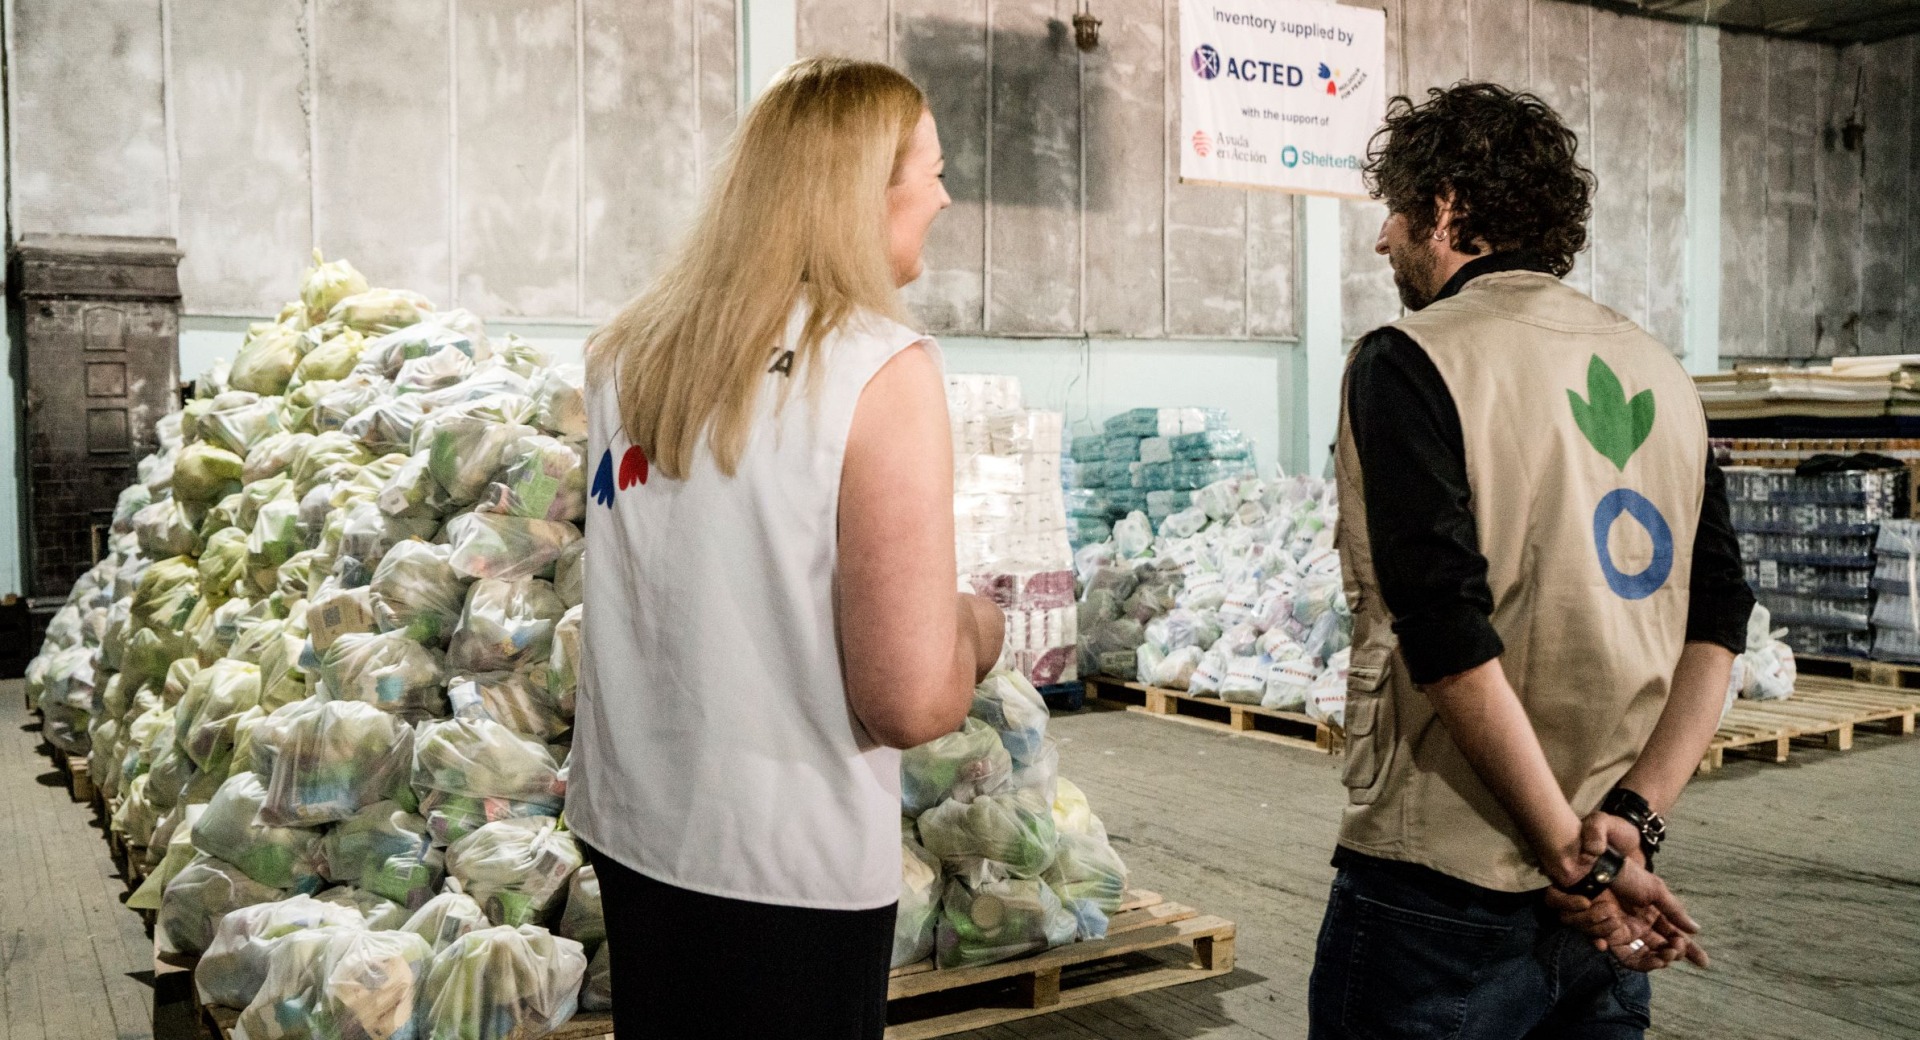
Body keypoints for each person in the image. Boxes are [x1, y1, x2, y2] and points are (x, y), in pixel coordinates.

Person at [569, 58, 1006, 1039]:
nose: (944, 194)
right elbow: (906, 696)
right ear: (865, 194)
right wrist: (978, 628)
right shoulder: (878, 366)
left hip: (637, 835)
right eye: (931, 169)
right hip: (785, 870)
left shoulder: (632, 353)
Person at [1307, 82, 1755, 1040]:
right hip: (1600, 890)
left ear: (1444, 206)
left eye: (1394, 209)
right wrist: (1628, 824)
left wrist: (1571, 858)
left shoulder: (1410, 358)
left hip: (1444, 888)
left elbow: (1445, 634)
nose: (1382, 239)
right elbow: (1718, 622)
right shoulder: (1660, 370)